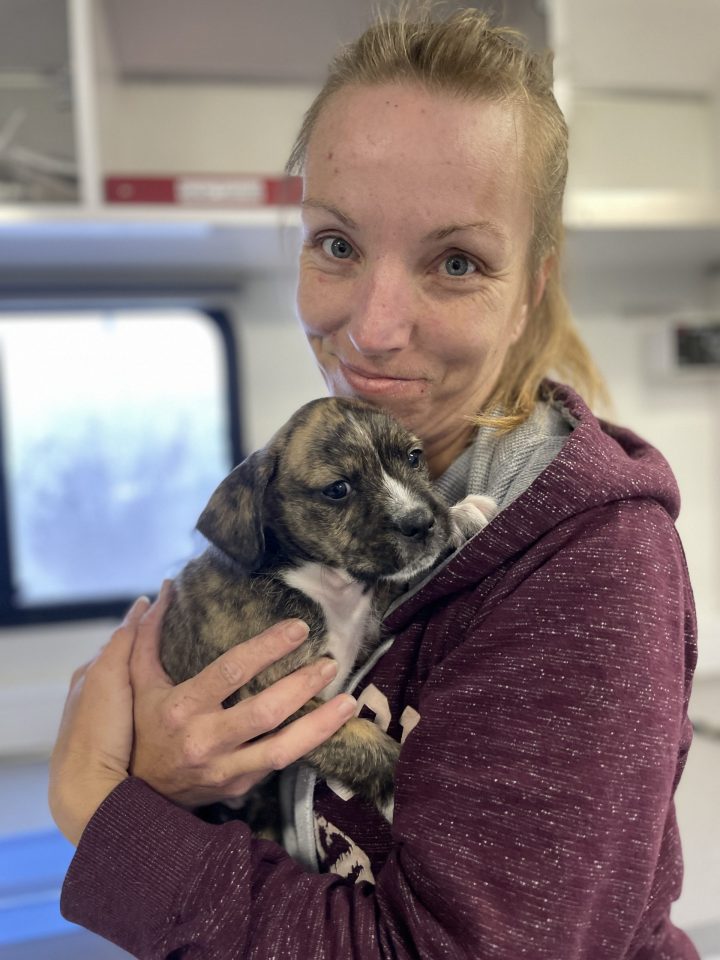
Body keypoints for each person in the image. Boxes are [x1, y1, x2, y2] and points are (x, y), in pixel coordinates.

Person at [49, 7, 700, 959]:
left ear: (530, 290)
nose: (374, 330)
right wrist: (175, 776)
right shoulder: (335, 504)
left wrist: (107, 810)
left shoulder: (591, 571)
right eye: (338, 244)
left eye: (456, 261)